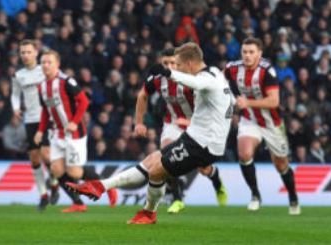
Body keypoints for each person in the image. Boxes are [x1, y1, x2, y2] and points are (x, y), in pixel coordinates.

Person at [68, 42, 234, 224]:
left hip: (203, 144)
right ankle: (101, 187)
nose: (174, 68)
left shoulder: (204, 78)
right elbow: (228, 101)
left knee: (157, 171)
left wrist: (168, 73)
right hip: (196, 136)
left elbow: (196, 83)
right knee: (152, 161)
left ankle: (148, 212)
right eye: (170, 64)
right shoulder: (215, 73)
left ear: (189, 64)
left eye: (177, 65)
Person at [134, 48, 227, 214]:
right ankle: (177, 199)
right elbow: (142, 95)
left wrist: (190, 121)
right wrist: (139, 122)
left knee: (203, 169)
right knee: (165, 156)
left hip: (198, 125)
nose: (170, 66)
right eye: (165, 63)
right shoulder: (158, 79)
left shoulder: (194, 79)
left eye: (172, 63)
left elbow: (213, 106)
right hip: (174, 122)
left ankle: (216, 179)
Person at [34, 50, 117, 213]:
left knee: (74, 172)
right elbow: (45, 110)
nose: (45, 65)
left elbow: (84, 101)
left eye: (49, 62)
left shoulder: (66, 81)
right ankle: (78, 203)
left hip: (75, 134)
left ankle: (108, 184)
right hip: (57, 134)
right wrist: (40, 130)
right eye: (43, 62)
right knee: (56, 170)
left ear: (57, 64)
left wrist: (74, 122)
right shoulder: (41, 86)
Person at [224, 38, 300, 215]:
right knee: (244, 154)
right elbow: (220, 80)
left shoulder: (267, 71)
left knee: (281, 164)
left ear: (259, 54)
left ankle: (293, 197)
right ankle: (255, 195)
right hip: (249, 120)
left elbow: (274, 101)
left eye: (251, 52)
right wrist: (228, 96)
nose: (247, 56)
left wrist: (246, 102)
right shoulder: (233, 68)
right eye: (244, 52)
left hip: (272, 123)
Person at [11, 39, 58, 211]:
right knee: (34, 158)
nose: (25, 55)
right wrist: (16, 108)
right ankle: (43, 195)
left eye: (28, 52)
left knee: (46, 155)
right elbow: (15, 95)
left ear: (36, 53)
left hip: (46, 118)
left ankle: (54, 182)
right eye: (22, 52)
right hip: (30, 120)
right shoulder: (18, 75)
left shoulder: (44, 70)